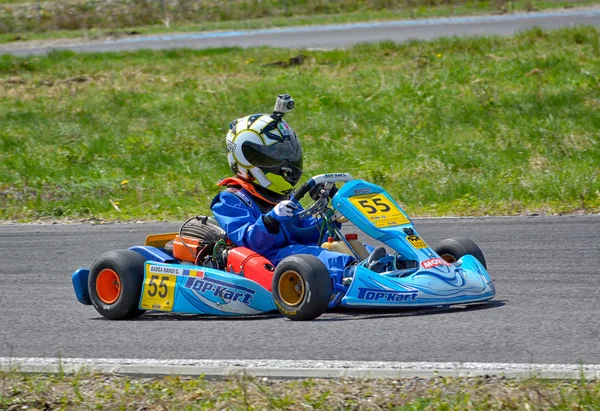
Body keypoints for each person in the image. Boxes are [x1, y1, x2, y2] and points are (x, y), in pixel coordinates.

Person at [210, 98, 365, 284]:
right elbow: (249, 242)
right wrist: (270, 220)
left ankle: (383, 266)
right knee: (310, 255)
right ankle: (355, 273)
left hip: (296, 257)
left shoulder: (282, 196)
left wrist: (328, 218)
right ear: (249, 157)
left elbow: (304, 234)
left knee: (347, 246)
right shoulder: (229, 200)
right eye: (276, 156)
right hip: (266, 263)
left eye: (288, 154)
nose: (286, 161)